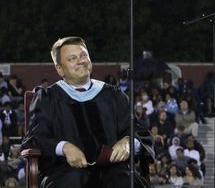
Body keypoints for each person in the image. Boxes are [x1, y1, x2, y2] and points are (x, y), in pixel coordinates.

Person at [22, 36, 151, 188]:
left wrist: (129, 142)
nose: (81, 60)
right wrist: (64, 147)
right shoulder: (47, 98)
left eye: (84, 55)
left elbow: (138, 131)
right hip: (64, 172)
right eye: (72, 58)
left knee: (126, 182)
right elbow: (36, 137)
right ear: (59, 69)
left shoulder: (113, 95)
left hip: (113, 170)